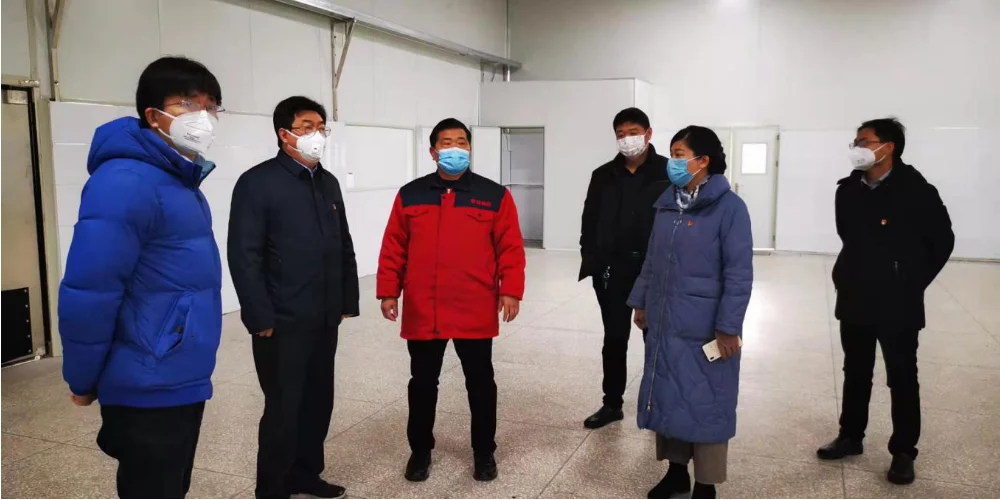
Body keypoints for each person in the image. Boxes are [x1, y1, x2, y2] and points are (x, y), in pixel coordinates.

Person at [58, 56, 224, 499]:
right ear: (153, 115)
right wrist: (82, 378)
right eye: (188, 103)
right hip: (148, 376)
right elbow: (90, 291)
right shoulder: (126, 181)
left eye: (211, 106)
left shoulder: (178, 179)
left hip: (178, 370)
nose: (203, 116)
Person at [376, 118, 526, 483]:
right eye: (446, 142)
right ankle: (420, 451)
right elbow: (394, 245)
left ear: (470, 149)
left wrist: (510, 289)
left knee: (481, 382)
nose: (455, 148)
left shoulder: (494, 195)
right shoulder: (410, 194)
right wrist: (388, 291)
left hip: (473, 305)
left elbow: (510, 246)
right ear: (433, 152)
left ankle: (484, 452)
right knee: (422, 383)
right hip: (424, 307)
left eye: (461, 142)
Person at [228, 96, 359, 499]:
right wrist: (258, 315)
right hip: (282, 321)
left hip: (324, 315)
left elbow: (343, 243)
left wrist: (346, 300)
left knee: (319, 401)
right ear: (284, 134)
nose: (316, 134)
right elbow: (244, 254)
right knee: (284, 407)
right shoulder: (257, 183)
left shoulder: (327, 182)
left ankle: (306, 474)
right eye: (306, 127)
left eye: (321, 127)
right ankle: (272, 487)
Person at [817, 118, 954, 485]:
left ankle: (904, 452)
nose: (857, 147)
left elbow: (942, 240)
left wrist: (911, 280)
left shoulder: (917, 189)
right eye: (855, 141)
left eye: (864, 141)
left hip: (898, 301)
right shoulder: (848, 189)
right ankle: (850, 436)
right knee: (855, 370)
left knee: (902, 376)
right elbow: (848, 236)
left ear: (888, 147)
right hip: (855, 294)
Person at [628, 126, 753, 499]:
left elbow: (739, 273)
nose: (673, 162)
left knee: (707, 401)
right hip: (666, 321)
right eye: (672, 154)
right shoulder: (668, 204)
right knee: (670, 393)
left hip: (705, 327)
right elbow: (652, 260)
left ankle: (706, 484)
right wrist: (641, 301)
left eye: (680, 155)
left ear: (703, 161)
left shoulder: (730, 208)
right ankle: (676, 472)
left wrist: (728, 327)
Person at [579, 107, 670, 429]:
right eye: (621, 134)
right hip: (612, 270)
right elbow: (589, 221)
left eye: (633, 132)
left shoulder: (668, 172)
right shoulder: (603, 175)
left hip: (655, 269)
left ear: (648, 133)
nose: (627, 139)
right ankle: (612, 403)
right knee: (615, 338)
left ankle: (659, 403)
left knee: (655, 338)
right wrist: (592, 259)